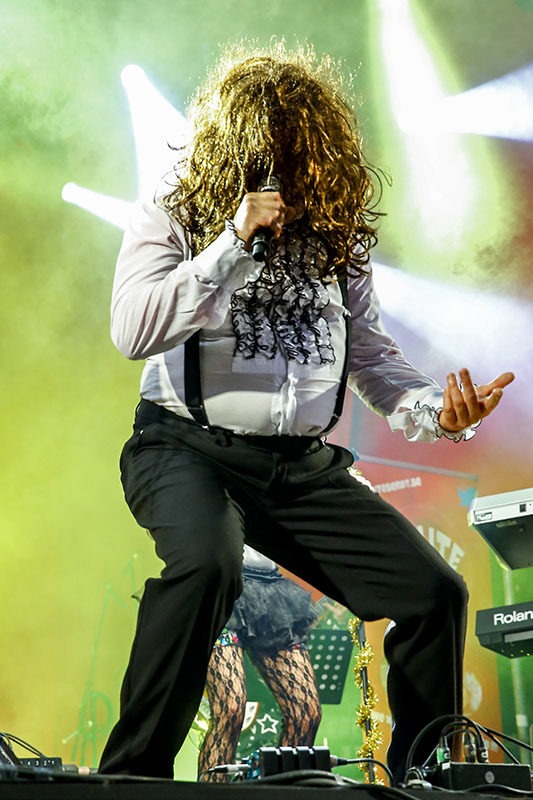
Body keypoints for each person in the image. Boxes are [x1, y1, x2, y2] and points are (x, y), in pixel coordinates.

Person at [98, 40, 514, 784]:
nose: (285, 172)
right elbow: (134, 330)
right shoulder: (176, 213)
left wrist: (441, 414)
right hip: (187, 450)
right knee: (206, 565)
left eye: (299, 154)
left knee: (433, 595)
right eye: (270, 153)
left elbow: (372, 359)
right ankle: (131, 778)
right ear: (234, 147)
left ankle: (419, 782)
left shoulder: (333, 237)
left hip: (299, 467)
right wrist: (231, 244)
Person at [197, 545, 321, 781]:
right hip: (220, 583)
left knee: (306, 713)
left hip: (270, 590)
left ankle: (283, 793)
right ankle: (211, 793)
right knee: (231, 710)